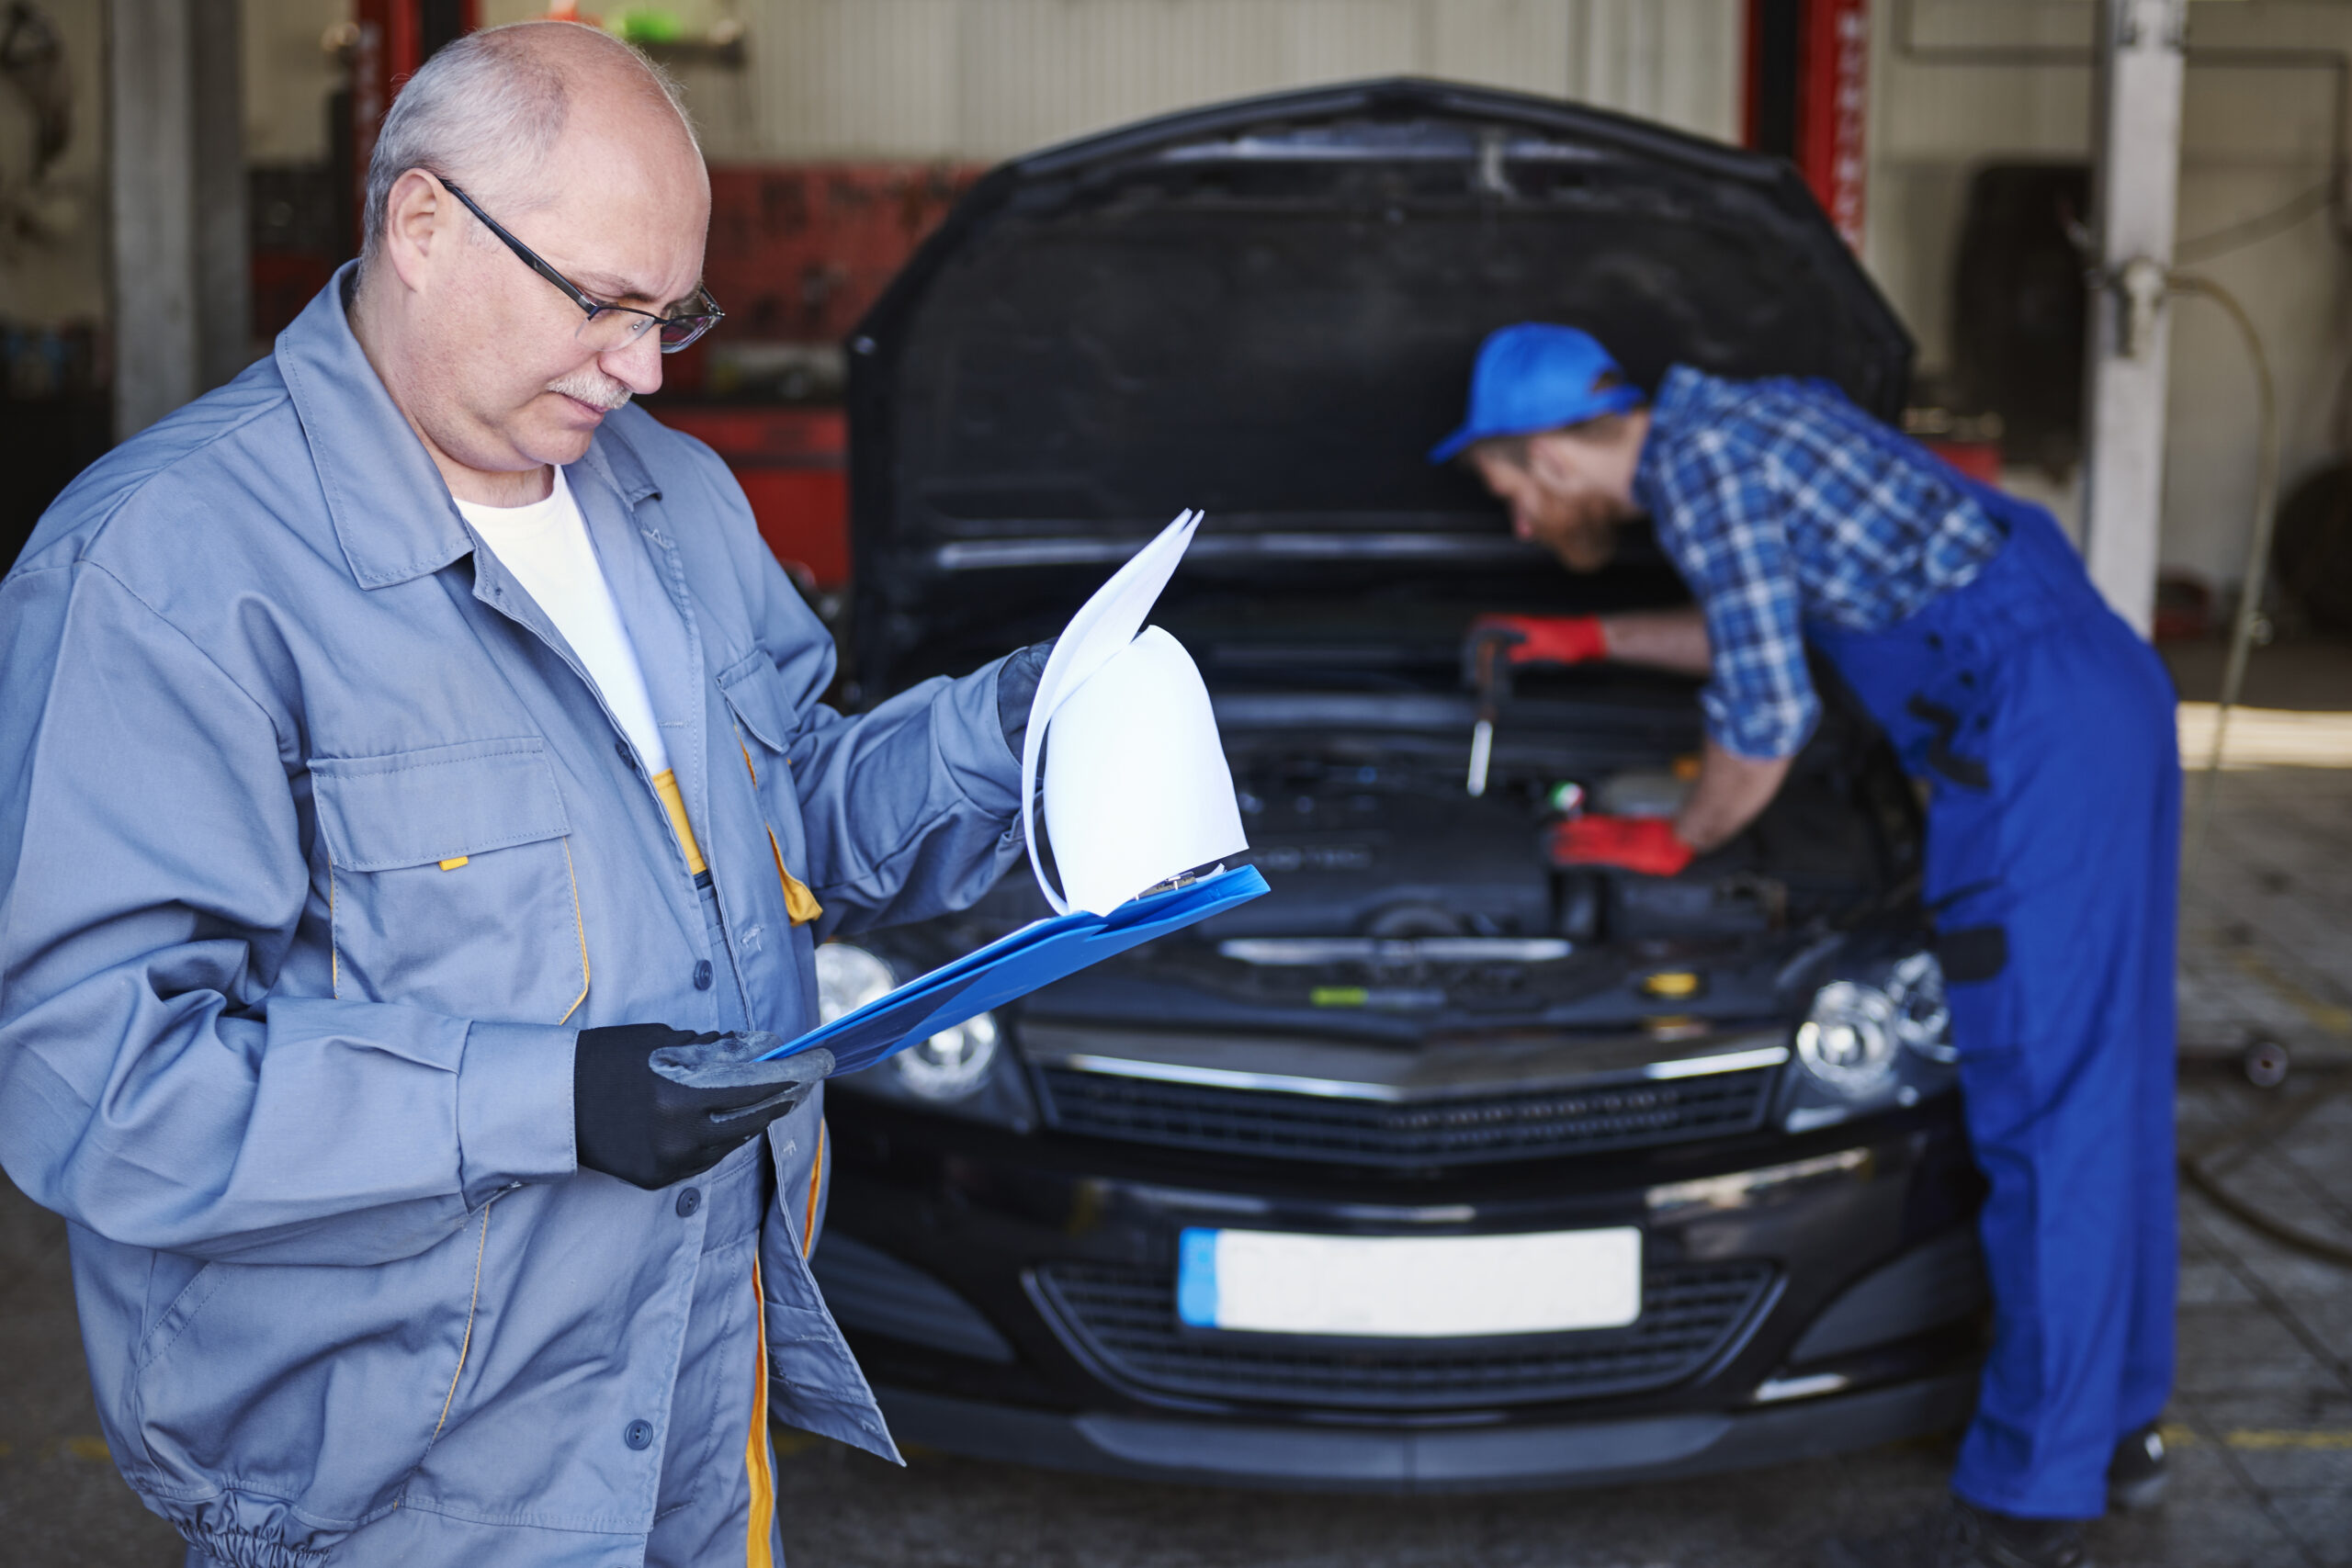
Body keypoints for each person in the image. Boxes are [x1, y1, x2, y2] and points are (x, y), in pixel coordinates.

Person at [0, 23, 1046, 1568]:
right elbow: (99, 1086)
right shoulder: (166, 574)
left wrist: (1024, 735)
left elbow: (794, 811)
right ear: (422, 226)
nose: (639, 368)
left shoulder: (669, 494)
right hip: (392, 1494)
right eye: (602, 304)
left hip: (695, 1397)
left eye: (671, 313)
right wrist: (545, 1100)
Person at [1434, 324, 2178, 1568]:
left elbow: (1768, 719)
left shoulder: (1704, 471)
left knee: (2047, 1114)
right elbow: (1769, 625)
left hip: (2033, 738)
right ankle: (2114, 1430)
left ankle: (2031, 1507)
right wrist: (1591, 641)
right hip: (2093, 698)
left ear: (1556, 448)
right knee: (2106, 1089)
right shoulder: (1741, 427)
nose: (1518, 521)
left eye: (1512, 489)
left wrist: (1679, 839)